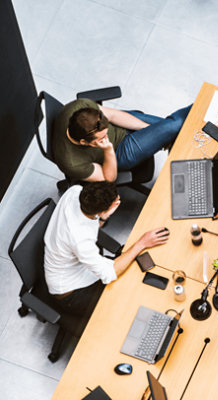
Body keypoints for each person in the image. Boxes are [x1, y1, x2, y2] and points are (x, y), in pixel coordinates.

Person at [44, 181, 169, 317]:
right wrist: (142, 242)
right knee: (132, 296)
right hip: (73, 293)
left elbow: (89, 224)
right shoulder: (80, 240)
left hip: (77, 265)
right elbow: (109, 274)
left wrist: (104, 215)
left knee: (134, 267)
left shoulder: (75, 191)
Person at [53, 98, 191, 182]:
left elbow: (113, 116)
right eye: (102, 138)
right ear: (84, 142)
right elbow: (109, 178)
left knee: (173, 128)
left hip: (121, 125)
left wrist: (150, 131)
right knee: (175, 125)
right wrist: (108, 150)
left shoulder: (81, 107)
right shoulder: (71, 163)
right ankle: (210, 107)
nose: (106, 137)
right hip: (119, 152)